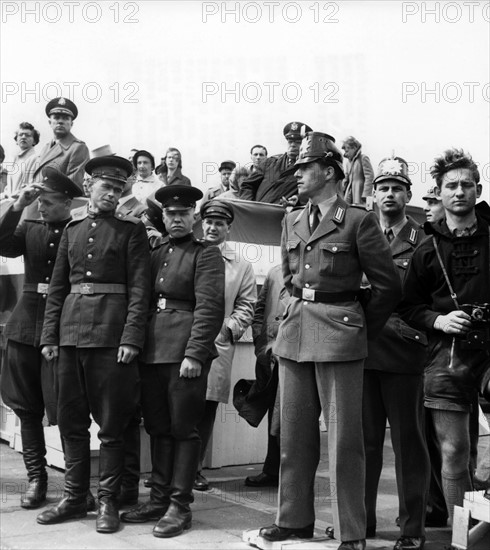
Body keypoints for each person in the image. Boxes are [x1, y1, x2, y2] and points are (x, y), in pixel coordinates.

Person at [258, 131, 401, 549]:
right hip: (295, 334)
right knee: (293, 436)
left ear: (329, 172)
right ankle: (294, 520)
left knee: (344, 442)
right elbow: (286, 277)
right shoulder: (291, 218)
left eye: (305, 168)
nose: (298, 175)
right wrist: (286, 315)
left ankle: (351, 530)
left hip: (339, 336)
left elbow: (387, 286)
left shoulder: (357, 219)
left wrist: (358, 328)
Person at [36, 155, 151, 534]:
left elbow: (139, 290)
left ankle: (108, 501)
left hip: (110, 336)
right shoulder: (71, 229)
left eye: (119, 189)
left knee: (112, 426)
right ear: (89, 187)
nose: (113, 194)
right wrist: (50, 336)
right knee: (71, 421)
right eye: (107, 187)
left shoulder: (130, 230)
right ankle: (73, 496)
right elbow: (57, 288)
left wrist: (131, 338)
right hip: (70, 336)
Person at [121, 185, 225, 538]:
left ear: (193, 216)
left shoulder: (206, 254)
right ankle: (158, 498)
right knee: (157, 427)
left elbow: (209, 309)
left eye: (183, 213)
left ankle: (180, 505)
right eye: (170, 214)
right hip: (152, 351)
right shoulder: (155, 251)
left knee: (184, 429)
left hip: (184, 354)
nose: (177, 219)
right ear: (162, 217)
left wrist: (195, 354)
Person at [399, 148, 490, 524]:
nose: (459, 192)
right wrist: (438, 321)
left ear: (478, 189)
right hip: (446, 358)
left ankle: (482, 522)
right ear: (439, 192)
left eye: (466, 184)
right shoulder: (426, 247)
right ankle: (462, 536)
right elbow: (407, 306)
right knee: (453, 450)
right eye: (450, 186)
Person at [0, 168, 83, 510]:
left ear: (66, 202)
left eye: (48, 202)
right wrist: (18, 206)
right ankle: (37, 480)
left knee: (66, 405)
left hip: (62, 327)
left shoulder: (80, 232)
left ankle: (76, 487)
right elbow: (2, 243)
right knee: (26, 407)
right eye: (40, 201)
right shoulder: (30, 226)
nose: (43, 208)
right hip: (25, 324)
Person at [362, 155, 430, 550]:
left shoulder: (423, 241)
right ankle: (363, 521)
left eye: (397, 188)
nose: (390, 194)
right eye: (383, 188)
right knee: (365, 441)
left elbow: (429, 296)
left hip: (405, 354)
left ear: (408, 195)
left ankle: (412, 529)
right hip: (366, 350)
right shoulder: (362, 233)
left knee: (408, 443)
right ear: (374, 195)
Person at [194, 199, 257, 491]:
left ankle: (192, 469)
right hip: (181, 339)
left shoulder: (240, 265)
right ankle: (167, 469)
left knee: (205, 406)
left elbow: (247, 305)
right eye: (208, 221)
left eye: (220, 223)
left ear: (228, 229)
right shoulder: (188, 252)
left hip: (216, 345)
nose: (212, 227)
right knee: (175, 403)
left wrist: (228, 330)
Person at [243, 264, 290, 488]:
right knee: (273, 412)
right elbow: (260, 309)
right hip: (269, 356)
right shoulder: (274, 271)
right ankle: (271, 470)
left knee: (292, 416)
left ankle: (290, 474)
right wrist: (259, 341)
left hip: (295, 355)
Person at [239, 122, 313, 204]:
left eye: (298, 142)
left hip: (285, 214)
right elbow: (248, 185)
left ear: (305, 145)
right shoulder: (270, 162)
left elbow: (315, 191)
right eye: (290, 141)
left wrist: (299, 199)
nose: (293, 145)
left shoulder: (308, 167)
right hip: (257, 212)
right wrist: (249, 205)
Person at [25, 98, 89, 190]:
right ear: (50, 122)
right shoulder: (46, 147)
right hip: (35, 200)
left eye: (65, 118)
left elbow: (73, 187)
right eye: (56, 117)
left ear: (71, 124)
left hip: (54, 202)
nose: (60, 121)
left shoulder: (78, 148)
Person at [6, 122, 40, 196]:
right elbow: (8, 188)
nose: (23, 137)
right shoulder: (13, 160)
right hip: (10, 204)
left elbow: (33, 186)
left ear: (34, 141)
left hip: (24, 203)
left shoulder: (36, 159)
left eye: (28, 135)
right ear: (16, 140)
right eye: (20, 135)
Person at [341, 136, 374, 206]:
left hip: (360, 191)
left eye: (347, 151)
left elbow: (369, 176)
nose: (346, 153)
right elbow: (346, 178)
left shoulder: (363, 158)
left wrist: (366, 194)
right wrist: (342, 190)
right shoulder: (348, 163)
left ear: (354, 148)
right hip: (350, 192)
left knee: (361, 209)